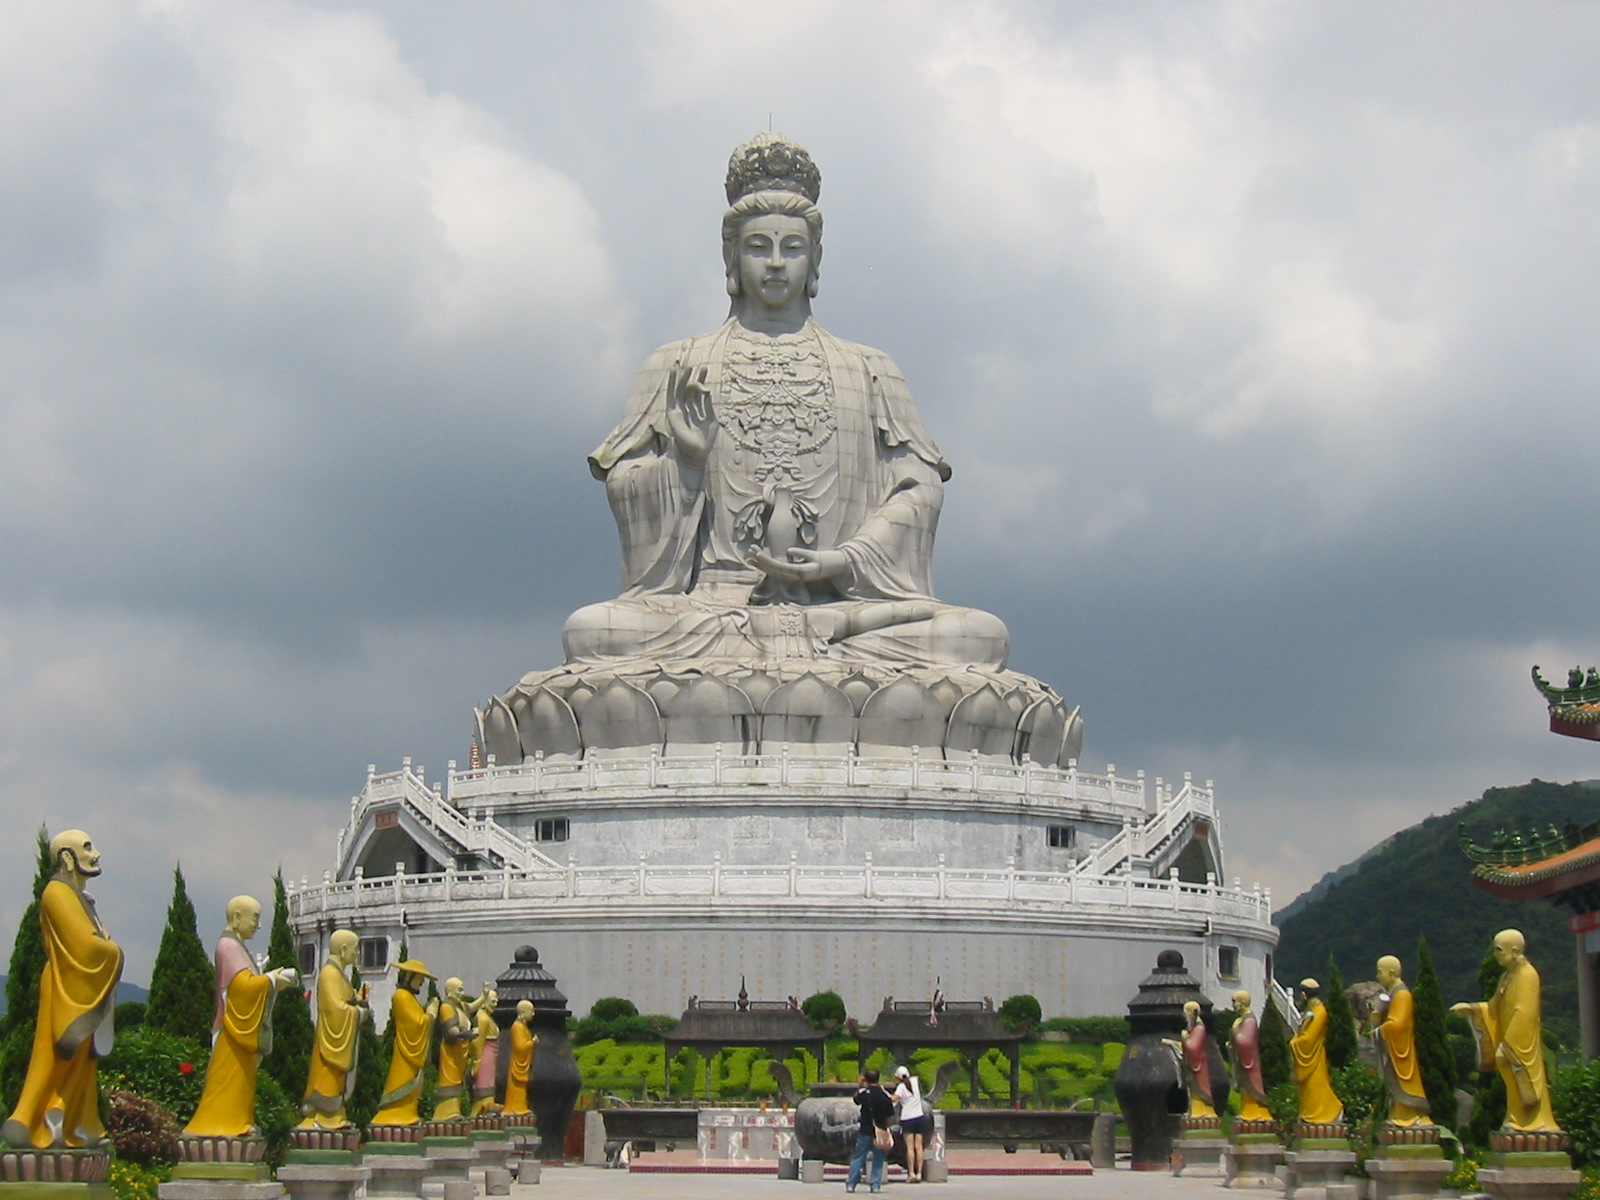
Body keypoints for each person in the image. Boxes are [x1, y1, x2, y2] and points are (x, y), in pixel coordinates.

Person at [558, 132, 1010, 671]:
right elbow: (627, 490)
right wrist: (687, 465)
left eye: (791, 248)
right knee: (594, 633)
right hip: (713, 615)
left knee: (978, 637)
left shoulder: (870, 369)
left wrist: (841, 560)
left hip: (844, 614)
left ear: (814, 258)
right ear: (731, 255)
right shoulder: (678, 364)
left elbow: (920, 491)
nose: (775, 264)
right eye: (758, 247)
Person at [2, 830, 123, 1149]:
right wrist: (114, 952)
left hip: (82, 984)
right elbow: (84, 947)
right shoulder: (57, 893)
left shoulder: (80, 898)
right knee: (56, 1057)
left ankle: (72, 1121)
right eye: (87, 847)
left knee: (82, 1063)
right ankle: (34, 1118)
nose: (95, 853)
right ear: (67, 858)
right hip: (65, 984)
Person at [184, 896, 298, 1137]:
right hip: (232, 1030)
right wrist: (271, 981)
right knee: (228, 1080)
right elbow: (240, 988)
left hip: (237, 1030)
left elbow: (246, 983)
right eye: (255, 918)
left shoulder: (236, 945)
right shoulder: (228, 946)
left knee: (241, 1082)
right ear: (237, 918)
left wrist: (268, 979)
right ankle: (220, 1125)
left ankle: (236, 1122)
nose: (257, 926)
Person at [1452, 929, 1560, 1131]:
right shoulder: (1507, 977)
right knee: (1509, 1074)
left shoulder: (1528, 975)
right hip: (1511, 1038)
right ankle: (1516, 1118)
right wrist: (1472, 1009)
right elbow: (1494, 1007)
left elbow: (1525, 1012)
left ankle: (1534, 1122)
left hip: (1521, 1039)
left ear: (1515, 950)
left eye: (1499, 950)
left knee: (1515, 1069)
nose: (1496, 954)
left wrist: (1510, 1043)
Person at [297, 929, 368, 1129]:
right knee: (327, 1077)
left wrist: (359, 1001)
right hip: (330, 1040)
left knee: (336, 1080)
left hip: (338, 1040)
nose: (358, 954)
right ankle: (321, 1116)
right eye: (356, 949)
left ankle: (333, 1115)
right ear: (343, 949)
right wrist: (358, 1013)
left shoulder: (340, 976)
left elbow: (347, 1001)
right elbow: (336, 1011)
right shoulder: (329, 974)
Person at [371, 960, 438, 1125]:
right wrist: (431, 1014)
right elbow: (415, 1024)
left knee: (413, 1088)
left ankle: (407, 1113)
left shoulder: (410, 998)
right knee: (402, 1082)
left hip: (411, 1051)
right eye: (420, 977)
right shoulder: (401, 996)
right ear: (410, 976)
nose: (422, 982)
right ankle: (394, 1113)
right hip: (406, 1051)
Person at [1370, 955, 1431, 1127]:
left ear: (1391, 973)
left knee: (1403, 1082)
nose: (1377, 977)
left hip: (1401, 1048)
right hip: (1394, 1047)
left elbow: (1397, 1024)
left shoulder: (1402, 994)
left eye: (1379, 972)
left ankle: (1409, 1116)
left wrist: (1380, 1030)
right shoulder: (1392, 994)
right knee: (1395, 1084)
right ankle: (1401, 1114)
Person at [1290, 978, 1343, 1124]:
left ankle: (1330, 1109)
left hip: (1315, 1055)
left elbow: (1309, 1038)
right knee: (1307, 1089)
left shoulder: (1320, 1011)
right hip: (1309, 1055)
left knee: (1316, 1085)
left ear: (1305, 995)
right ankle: (1310, 1114)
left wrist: (1295, 1042)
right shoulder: (1311, 1011)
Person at [432, 977, 476, 1121]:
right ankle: (445, 1113)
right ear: (450, 991)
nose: (462, 993)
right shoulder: (447, 1007)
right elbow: (451, 1032)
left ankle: (454, 1110)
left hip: (460, 1052)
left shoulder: (460, 1007)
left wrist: (485, 995)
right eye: (459, 989)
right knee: (449, 1081)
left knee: (457, 1082)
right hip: (450, 1052)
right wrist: (468, 1034)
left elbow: (473, 1006)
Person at [846, 1068, 895, 1193]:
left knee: (858, 1157)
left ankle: (851, 1184)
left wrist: (860, 1085)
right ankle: (875, 1185)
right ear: (878, 1078)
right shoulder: (885, 1096)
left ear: (866, 1079)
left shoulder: (865, 1094)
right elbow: (890, 1116)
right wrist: (886, 1128)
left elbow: (856, 1100)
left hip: (865, 1130)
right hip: (881, 1131)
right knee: (878, 1158)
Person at [1228, 990, 1273, 1122]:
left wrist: (1235, 1030)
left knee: (1251, 1088)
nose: (1233, 1005)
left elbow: (1245, 1042)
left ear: (1242, 1002)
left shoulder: (1250, 1020)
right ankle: (1248, 1110)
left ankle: (1253, 1112)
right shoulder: (1242, 1019)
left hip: (1250, 1062)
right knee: (1245, 1091)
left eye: (1235, 1002)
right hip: (1243, 1060)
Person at [891, 1065, 929, 1183]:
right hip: (920, 1117)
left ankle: (911, 1172)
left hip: (907, 1118)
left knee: (910, 1148)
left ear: (897, 1077)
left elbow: (893, 1099)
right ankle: (919, 1173)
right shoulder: (915, 1081)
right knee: (919, 1147)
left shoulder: (901, 1087)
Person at [502, 1000, 539, 1117]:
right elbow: (520, 1047)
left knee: (522, 1088)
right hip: (517, 1062)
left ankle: (520, 1107)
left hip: (522, 1061)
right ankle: (514, 1107)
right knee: (516, 1086)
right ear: (523, 1011)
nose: (533, 1014)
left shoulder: (523, 1027)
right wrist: (532, 1042)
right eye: (531, 1011)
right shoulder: (517, 1026)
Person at [469, 984, 500, 1116]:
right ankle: (481, 1111)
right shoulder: (483, 1018)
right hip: (485, 1056)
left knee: (489, 1084)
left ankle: (488, 1107)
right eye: (492, 1002)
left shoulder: (487, 1018)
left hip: (490, 1056)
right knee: (484, 1086)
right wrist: (476, 1060)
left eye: (496, 1002)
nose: (495, 1005)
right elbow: (477, 1041)